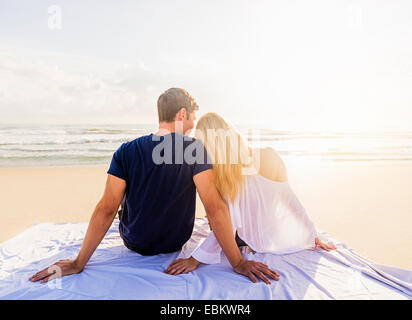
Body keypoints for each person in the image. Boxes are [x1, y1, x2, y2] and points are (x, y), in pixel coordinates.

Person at [29, 88, 279, 285]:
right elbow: (215, 208)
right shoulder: (194, 150)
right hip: (175, 241)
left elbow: (106, 209)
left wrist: (79, 262)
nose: (193, 125)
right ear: (182, 114)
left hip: (134, 241)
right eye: (192, 118)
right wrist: (237, 263)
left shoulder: (126, 150)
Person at [164, 113, 336, 278]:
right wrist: (311, 234)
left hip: (244, 238)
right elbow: (289, 200)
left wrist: (196, 260)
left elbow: (224, 219)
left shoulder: (224, 175)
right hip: (271, 233)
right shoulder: (270, 155)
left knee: (216, 213)